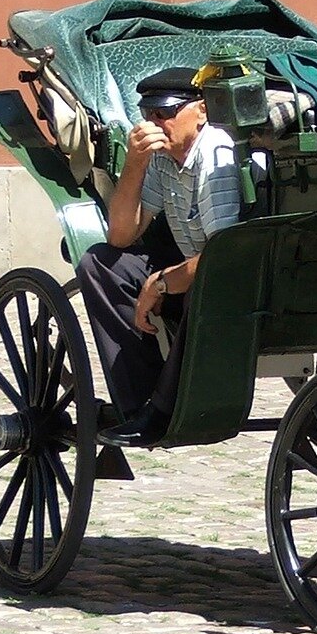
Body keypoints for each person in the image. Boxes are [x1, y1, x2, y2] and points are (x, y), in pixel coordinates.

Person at [78, 67, 241, 447]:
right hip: (198, 265)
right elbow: (120, 235)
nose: (156, 123)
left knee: (203, 292)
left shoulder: (214, 155)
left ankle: (166, 409)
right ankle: (139, 406)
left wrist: (163, 281)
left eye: (166, 114)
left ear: (200, 111)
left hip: (232, 280)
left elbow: (224, 259)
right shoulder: (165, 159)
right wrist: (135, 164)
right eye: (150, 115)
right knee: (99, 264)